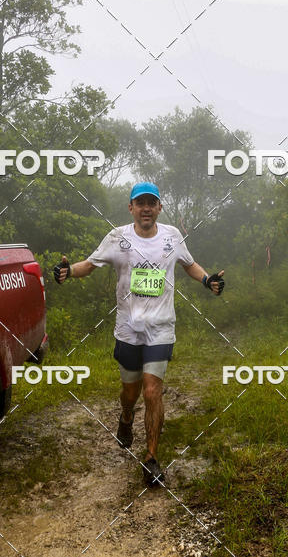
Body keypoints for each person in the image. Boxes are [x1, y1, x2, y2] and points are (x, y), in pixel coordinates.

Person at [54, 182, 224, 487]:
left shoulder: (172, 236)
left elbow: (189, 264)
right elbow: (89, 265)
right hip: (128, 329)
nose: (146, 208)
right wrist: (68, 272)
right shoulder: (117, 237)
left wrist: (207, 279)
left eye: (152, 203)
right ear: (131, 208)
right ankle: (126, 417)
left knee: (152, 391)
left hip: (161, 329)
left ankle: (151, 458)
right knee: (130, 393)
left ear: (160, 207)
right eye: (140, 203)